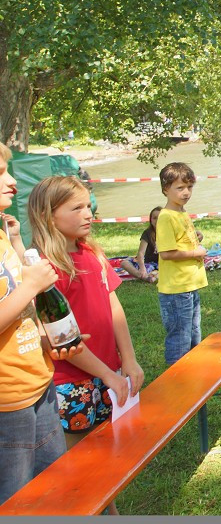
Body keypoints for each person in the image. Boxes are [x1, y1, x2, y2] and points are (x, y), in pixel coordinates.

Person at [27, 176, 143, 515]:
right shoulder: (46, 269)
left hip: (107, 375)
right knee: (78, 470)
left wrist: (129, 361)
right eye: (76, 208)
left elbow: (113, 306)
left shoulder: (91, 251)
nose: (87, 213)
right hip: (69, 384)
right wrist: (108, 374)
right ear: (49, 216)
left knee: (105, 462)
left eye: (88, 205)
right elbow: (62, 339)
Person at [0, 145, 87, 506]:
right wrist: (33, 284)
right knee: (18, 501)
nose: (12, 180)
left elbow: (16, 312)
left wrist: (44, 339)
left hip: (39, 384)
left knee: (56, 490)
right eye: (1, 172)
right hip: (7, 404)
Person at [156, 163, 208, 366]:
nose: (186, 192)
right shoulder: (166, 216)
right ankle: (176, 381)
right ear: (165, 189)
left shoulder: (181, 212)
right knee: (180, 338)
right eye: (180, 188)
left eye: (189, 187)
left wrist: (195, 238)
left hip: (189, 286)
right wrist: (196, 252)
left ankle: (193, 376)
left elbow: (179, 241)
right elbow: (167, 253)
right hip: (177, 289)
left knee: (194, 334)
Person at [119, 206, 161, 282]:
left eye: (160, 217)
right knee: (124, 263)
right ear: (150, 220)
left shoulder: (169, 233)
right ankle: (143, 276)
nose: (157, 220)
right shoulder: (147, 233)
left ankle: (149, 276)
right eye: (154, 218)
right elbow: (141, 253)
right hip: (149, 263)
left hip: (164, 263)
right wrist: (142, 268)